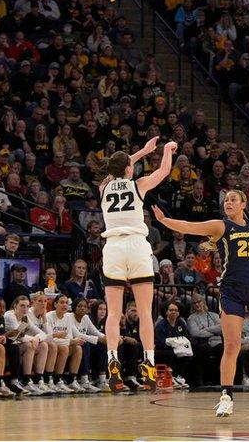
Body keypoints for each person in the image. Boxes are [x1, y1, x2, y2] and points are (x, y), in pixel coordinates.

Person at [151, 189, 249, 417]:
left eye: (233, 200)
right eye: (226, 200)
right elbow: (190, 227)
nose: (228, 203)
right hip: (231, 290)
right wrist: (163, 220)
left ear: (243, 204)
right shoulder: (220, 226)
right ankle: (226, 397)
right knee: (231, 346)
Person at [98, 136, 176, 391]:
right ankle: (149, 364)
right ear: (130, 170)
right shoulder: (138, 185)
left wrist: (141, 152)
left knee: (113, 312)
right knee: (144, 312)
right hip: (137, 246)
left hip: (113, 248)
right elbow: (164, 170)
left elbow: (117, 167)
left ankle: (112, 359)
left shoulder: (103, 187)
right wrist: (167, 149)